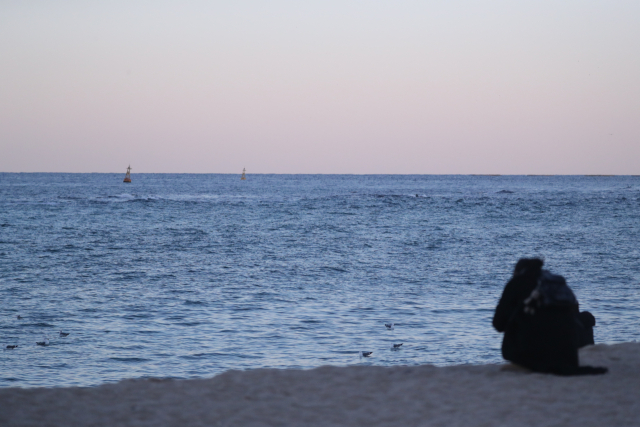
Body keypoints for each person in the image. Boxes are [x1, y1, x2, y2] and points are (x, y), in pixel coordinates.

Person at [493, 258, 606, 375]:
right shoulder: (557, 283)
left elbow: (498, 324)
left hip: (535, 357)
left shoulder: (516, 283)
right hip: (568, 357)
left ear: (517, 272)